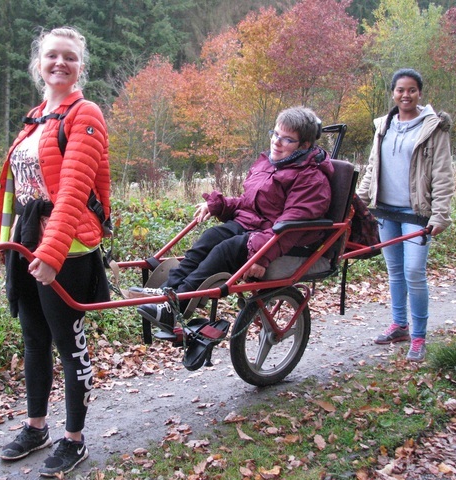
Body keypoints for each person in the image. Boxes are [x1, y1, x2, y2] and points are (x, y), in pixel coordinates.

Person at [0, 26, 110, 477]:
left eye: (70, 57)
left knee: (68, 344)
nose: (60, 63)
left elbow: (74, 192)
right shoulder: (36, 116)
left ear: (81, 67)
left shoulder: (86, 114)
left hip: (69, 249)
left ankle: (74, 438)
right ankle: (36, 426)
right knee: (33, 340)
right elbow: (15, 191)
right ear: (38, 64)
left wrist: (53, 252)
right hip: (26, 244)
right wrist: (3, 244)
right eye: (51, 56)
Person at [137, 106, 333, 331]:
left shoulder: (311, 178)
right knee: (212, 236)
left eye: (287, 139)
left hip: (281, 239)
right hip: (255, 227)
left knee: (225, 249)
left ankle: (176, 307)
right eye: (275, 134)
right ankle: (167, 291)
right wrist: (218, 205)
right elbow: (248, 202)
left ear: (305, 145)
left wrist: (263, 256)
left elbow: (295, 223)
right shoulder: (270, 164)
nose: (276, 142)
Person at [357, 68, 454, 363]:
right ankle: (399, 326)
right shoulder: (383, 126)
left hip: (417, 213)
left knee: (414, 272)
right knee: (395, 272)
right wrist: (358, 203)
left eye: (411, 90)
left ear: (420, 93)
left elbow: (442, 174)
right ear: (393, 93)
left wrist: (440, 215)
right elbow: (373, 168)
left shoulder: (433, 128)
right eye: (400, 90)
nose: (406, 95)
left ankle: (419, 335)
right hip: (385, 211)